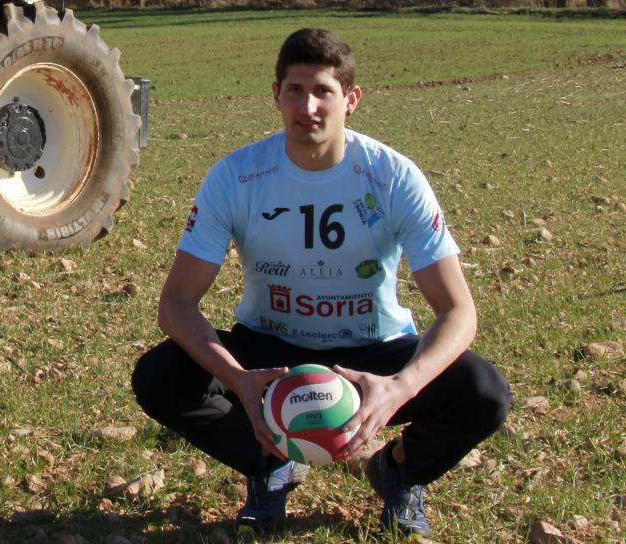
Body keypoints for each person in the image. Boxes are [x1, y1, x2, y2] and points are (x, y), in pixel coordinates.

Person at [131, 28, 510, 537]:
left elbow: (458, 311)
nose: (307, 107)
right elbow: (176, 303)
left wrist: (398, 388)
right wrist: (240, 380)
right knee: (161, 376)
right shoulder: (235, 177)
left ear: (351, 99)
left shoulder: (394, 177)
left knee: (484, 393)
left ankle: (399, 470)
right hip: (270, 354)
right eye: (295, 90)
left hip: (372, 354)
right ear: (276, 95)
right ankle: (270, 463)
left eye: (323, 91)